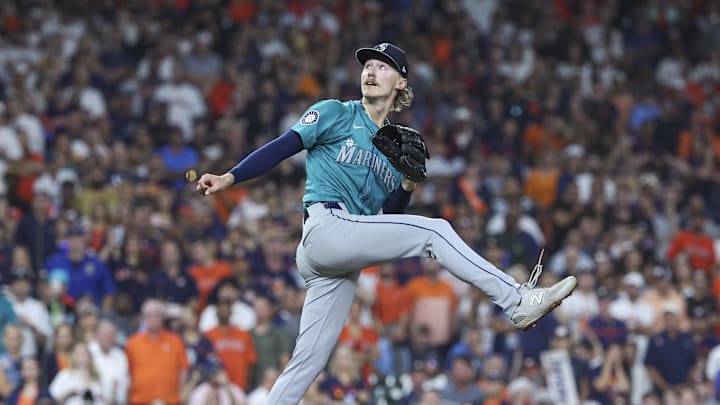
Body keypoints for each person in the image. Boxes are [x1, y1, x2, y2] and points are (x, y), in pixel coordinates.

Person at [196, 42, 577, 403]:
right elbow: (284, 145)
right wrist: (230, 177)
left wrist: (408, 182)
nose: (371, 71)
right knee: (436, 230)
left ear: (402, 82)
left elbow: (389, 214)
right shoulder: (336, 112)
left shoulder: (394, 144)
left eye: (382, 66)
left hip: (344, 254)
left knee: (308, 362)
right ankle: (516, 300)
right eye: (367, 65)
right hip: (325, 227)